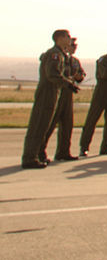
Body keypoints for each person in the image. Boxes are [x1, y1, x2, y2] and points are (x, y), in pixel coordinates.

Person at [21, 30, 74, 169]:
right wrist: (68, 83)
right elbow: (53, 74)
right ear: (60, 38)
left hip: (53, 92)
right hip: (47, 92)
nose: (69, 39)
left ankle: (38, 154)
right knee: (38, 125)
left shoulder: (60, 54)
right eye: (67, 36)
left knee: (44, 125)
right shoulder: (54, 54)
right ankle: (29, 158)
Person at [50, 38, 86, 161]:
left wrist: (78, 77)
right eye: (72, 45)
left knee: (67, 124)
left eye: (75, 46)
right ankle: (39, 151)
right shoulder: (59, 57)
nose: (74, 48)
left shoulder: (75, 61)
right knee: (50, 123)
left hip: (69, 93)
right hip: (58, 91)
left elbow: (81, 75)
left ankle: (63, 152)